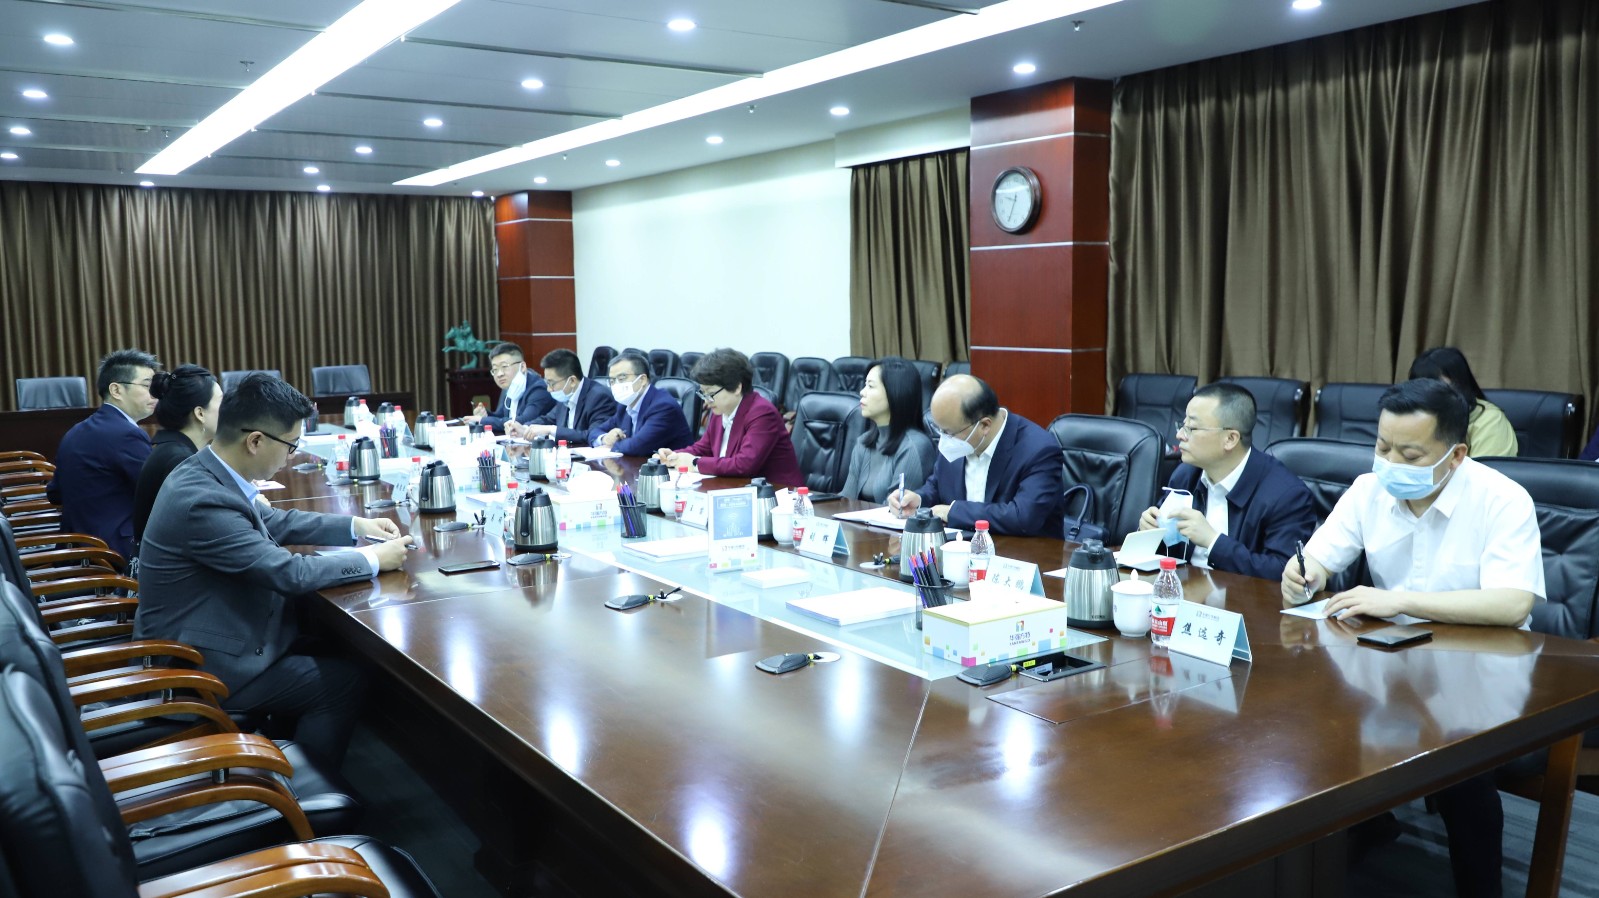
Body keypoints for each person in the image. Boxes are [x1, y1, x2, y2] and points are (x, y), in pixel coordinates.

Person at [1282, 378, 1543, 898]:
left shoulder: (1502, 499)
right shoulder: (1368, 490)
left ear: (1455, 455)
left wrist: (1400, 600)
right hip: (1392, 659)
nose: (1390, 463)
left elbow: (1513, 603)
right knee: (1311, 728)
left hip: (1484, 668)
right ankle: (1350, 838)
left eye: (1410, 454)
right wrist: (1303, 575)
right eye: (1383, 447)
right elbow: (1318, 559)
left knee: (1460, 768)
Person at [134, 374, 413, 767]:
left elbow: (273, 522)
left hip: (213, 637)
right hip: (198, 670)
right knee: (341, 681)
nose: (292, 456)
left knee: (328, 643)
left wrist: (354, 526)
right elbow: (289, 573)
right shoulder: (202, 500)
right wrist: (374, 559)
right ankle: (299, 786)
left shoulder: (207, 470)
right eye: (291, 444)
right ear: (255, 441)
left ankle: (281, 746)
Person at [1136, 383, 1316, 579]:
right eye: (1182, 425)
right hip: (1187, 589)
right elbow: (1169, 553)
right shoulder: (1185, 475)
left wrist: (1213, 541)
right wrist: (1150, 533)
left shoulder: (1287, 496)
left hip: (1244, 597)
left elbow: (1283, 572)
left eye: (1191, 428)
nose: (1179, 435)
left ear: (1230, 439)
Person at [888, 374, 1066, 536]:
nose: (944, 439)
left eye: (949, 432)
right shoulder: (958, 437)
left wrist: (953, 512)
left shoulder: (1039, 450)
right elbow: (937, 486)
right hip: (959, 550)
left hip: (1021, 554)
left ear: (985, 425)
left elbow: (1023, 517)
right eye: (939, 430)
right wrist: (919, 501)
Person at [46, 348, 161, 559]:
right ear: (116, 390)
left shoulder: (76, 431)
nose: (155, 394)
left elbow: (55, 493)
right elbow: (159, 495)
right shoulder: (127, 435)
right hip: (116, 551)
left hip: (77, 549)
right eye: (147, 386)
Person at [655, 348, 804, 485]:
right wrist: (674, 456)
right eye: (703, 394)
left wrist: (694, 463)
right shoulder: (721, 409)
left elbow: (744, 465)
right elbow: (703, 448)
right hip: (734, 487)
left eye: (710, 393)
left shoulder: (762, 413)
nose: (706, 401)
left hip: (778, 494)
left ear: (737, 387)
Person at [132, 365, 222, 546]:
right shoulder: (179, 461)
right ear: (200, 413)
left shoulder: (174, 449)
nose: (228, 410)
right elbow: (209, 526)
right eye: (221, 401)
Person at [839, 357, 935, 504]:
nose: (862, 392)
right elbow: (846, 500)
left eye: (871, 386)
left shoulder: (914, 446)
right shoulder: (863, 442)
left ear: (895, 392)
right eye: (865, 385)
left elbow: (896, 509)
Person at [1408, 346, 1517, 457]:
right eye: (1420, 388)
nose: (1427, 393)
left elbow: (1485, 468)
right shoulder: (1414, 416)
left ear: (1459, 384)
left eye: (1436, 386)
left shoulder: (1489, 420)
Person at [588, 351, 694, 456]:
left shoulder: (663, 406)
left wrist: (612, 445)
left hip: (670, 465)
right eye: (612, 381)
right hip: (635, 463)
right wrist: (605, 438)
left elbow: (637, 446)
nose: (616, 385)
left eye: (621, 378)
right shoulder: (624, 405)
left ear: (642, 380)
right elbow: (594, 431)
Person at [511, 348, 618, 445]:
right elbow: (548, 419)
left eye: (552, 383)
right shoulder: (565, 394)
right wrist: (525, 428)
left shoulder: (599, 397)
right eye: (547, 383)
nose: (549, 389)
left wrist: (551, 430)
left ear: (572, 381)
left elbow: (592, 435)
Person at [462, 342, 554, 434]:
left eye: (504, 367)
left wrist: (482, 420)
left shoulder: (539, 389)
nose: (499, 374)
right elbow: (501, 416)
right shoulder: (509, 386)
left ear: (522, 367)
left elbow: (523, 421)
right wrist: (485, 415)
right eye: (495, 369)